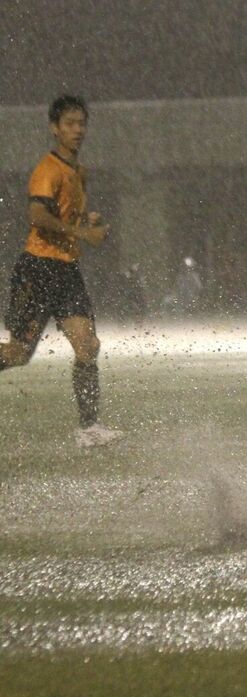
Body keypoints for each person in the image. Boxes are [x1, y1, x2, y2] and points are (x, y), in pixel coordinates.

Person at [0, 94, 123, 448]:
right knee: (18, 354)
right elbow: (37, 216)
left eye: (82, 123)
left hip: (66, 270)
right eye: (70, 123)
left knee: (87, 345)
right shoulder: (48, 169)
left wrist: (88, 219)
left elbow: (65, 215)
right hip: (37, 268)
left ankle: (89, 429)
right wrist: (84, 232)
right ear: (54, 128)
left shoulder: (78, 172)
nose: (78, 130)